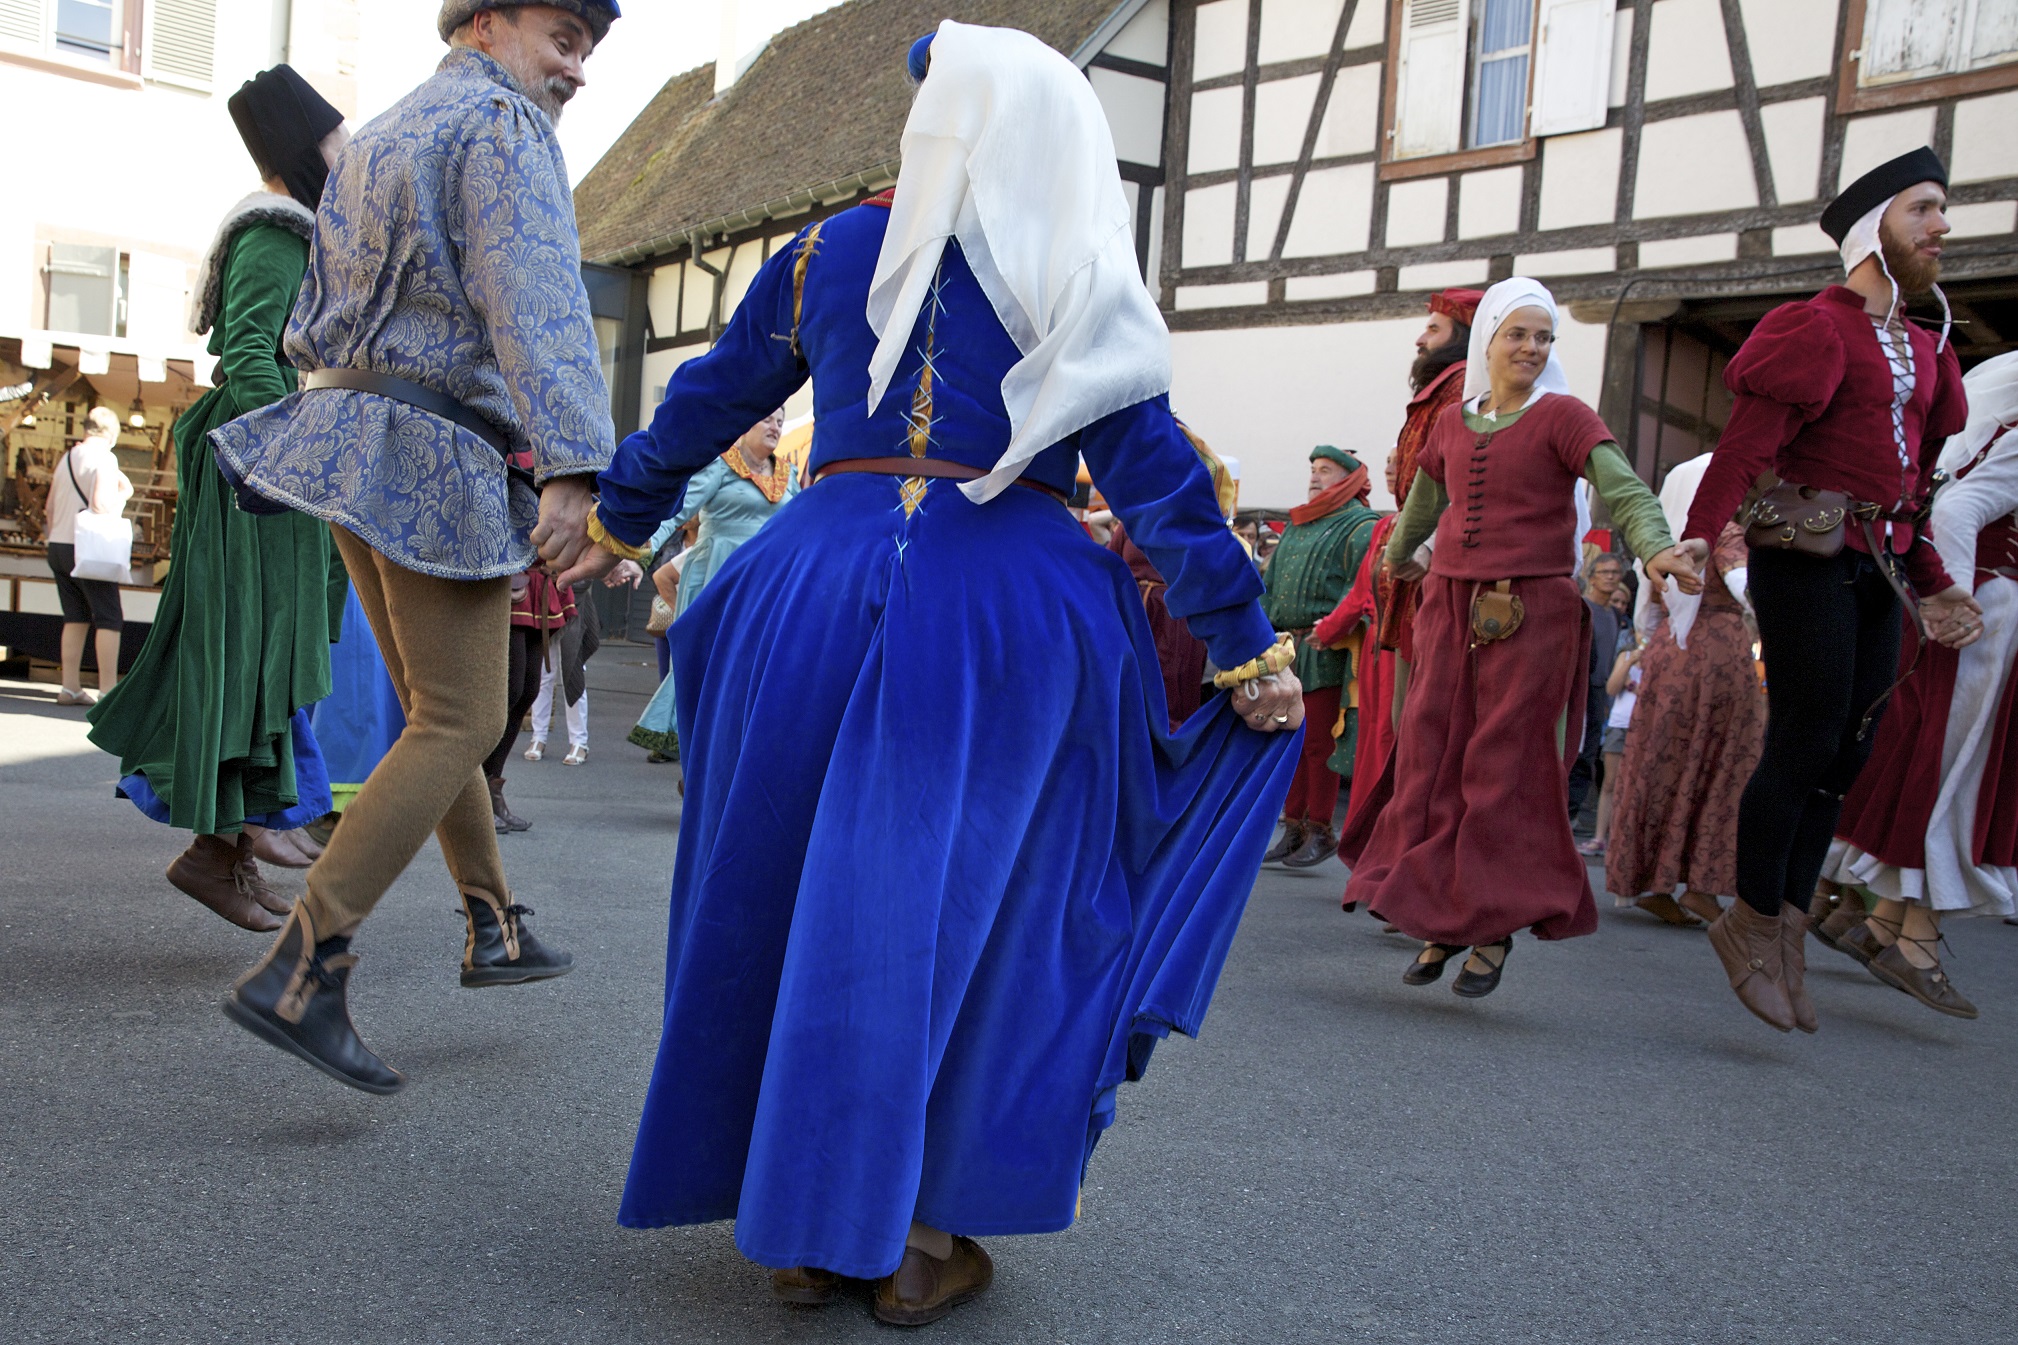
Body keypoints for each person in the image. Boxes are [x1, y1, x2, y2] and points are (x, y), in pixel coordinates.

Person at [559, 22, 1302, 1325]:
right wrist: (1238, 642)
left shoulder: (822, 254)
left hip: (802, 590)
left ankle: (797, 1224)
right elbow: (1155, 480)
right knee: (982, 907)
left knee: (787, 889)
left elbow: (702, 400)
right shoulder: (1062, 261)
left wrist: (622, 514)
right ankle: (910, 1231)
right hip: (1003, 605)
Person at [207, 0, 621, 1093]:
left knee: (438, 709)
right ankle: (306, 965)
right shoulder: (502, 126)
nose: (575, 69)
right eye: (563, 39)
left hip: (348, 428)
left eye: (588, 48)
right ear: (484, 23)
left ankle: (494, 923)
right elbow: (534, 295)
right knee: (462, 717)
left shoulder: (383, 129)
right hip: (434, 441)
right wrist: (577, 462)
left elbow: (322, 306)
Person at [1676, 146, 1979, 1034]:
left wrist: (1937, 586)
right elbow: (1744, 448)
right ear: (1873, 227)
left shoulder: (1929, 348)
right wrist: (1697, 533)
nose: (1941, 226)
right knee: (1805, 740)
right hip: (1804, 554)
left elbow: (1912, 496)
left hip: (1880, 564)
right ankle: (1752, 920)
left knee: (1849, 752)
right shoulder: (1813, 327)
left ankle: (1790, 929)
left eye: (1942, 209)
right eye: (1924, 208)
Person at [1342, 277, 1702, 997]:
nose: (1533, 348)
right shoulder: (1452, 423)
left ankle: (1491, 923)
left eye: (1545, 338)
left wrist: (1656, 548)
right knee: (1435, 761)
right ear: (1490, 342)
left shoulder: (1566, 418)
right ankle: (1444, 915)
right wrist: (1393, 562)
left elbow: (1623, 489)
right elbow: (1420, 509)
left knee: (1501, 771)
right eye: (1519, 334)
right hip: (1448, 610)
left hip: (1529, 614)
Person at [86, 67, 348, 933]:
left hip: (260, 460)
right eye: (334, 138)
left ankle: (234, 842)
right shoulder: (276, 232)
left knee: (262, 652)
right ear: (303, 147)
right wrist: (294, 453)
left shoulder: (289, 230)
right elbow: (248, 355)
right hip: (255, 468)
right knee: (247, 652)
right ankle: (217, 849)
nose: (345, 152)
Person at [1815, 351, 2018, 1017]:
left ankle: (1867, 918)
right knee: (1952, 771)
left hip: (1978, 612)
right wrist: (1954, 600)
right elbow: (1959, 509)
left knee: (1929, 763)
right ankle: (1913, 937)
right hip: (1985, 618)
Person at [1604, 454, 1765, 929]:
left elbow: (1646, 617)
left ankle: (1652, 879)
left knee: (1657, 761)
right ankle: (1700, 886)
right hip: (1718, 657)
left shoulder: (1658, 543)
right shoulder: (1726, 534)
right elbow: (1744, 585)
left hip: (1665, 658)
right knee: (1722, 764)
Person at [628, 410, 795, 761]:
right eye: (767, 419)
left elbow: (804, 529)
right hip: (715, 579)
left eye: (781, 421)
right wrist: (634, 552)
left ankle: (729, 763)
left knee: (752, 674)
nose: (775, 427)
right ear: (744, 423)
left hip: (765, 586)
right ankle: (697, 764)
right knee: (705, 673)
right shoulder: (720, 467)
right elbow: (674, 512)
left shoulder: (787, 475)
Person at [1260, 446, 1381, 868]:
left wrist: (1331, 629)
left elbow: (1359, 586)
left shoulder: (1362, 526)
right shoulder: (1297, 525)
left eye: (1325, 470)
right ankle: (1293, 826)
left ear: (1349, 478)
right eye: (1312, 469)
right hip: (1288, 647)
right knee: (1289, 739)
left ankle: (1321, 828)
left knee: (1319, 743)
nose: (1315, 477)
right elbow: (1270, 585)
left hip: (1328, 647)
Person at [1377, 289, 1480, 715]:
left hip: (1440, 566)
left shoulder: (1464, 390)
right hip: (1416, 568)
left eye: (1434, 329)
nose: (1421, 339)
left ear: (1462, 338)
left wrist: (1428, 543)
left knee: (1429, 712)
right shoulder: (1444, 387)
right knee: (1410, 711)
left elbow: (1461, 480)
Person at [44, 406, 132, 706]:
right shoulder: (106, 459)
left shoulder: (67, 457)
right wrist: (125, 494)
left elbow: (49, 508)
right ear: (111, 434)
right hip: (88, 549)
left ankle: (70, 687)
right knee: (109, 617)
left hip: (58, 544)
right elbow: (100, 505)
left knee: (75, 616)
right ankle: (107, 690)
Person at [1567, 552, 1626, 826]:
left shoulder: (1614, 613)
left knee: (1589, 752)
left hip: (1602, 689)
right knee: (1574, 749)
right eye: (1605, 572)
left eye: (1615, 573)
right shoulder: (1583, 608)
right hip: (1580, 686)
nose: (1611, 577)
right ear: (1591, 577)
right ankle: (1566, 811)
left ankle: (1574, 811)